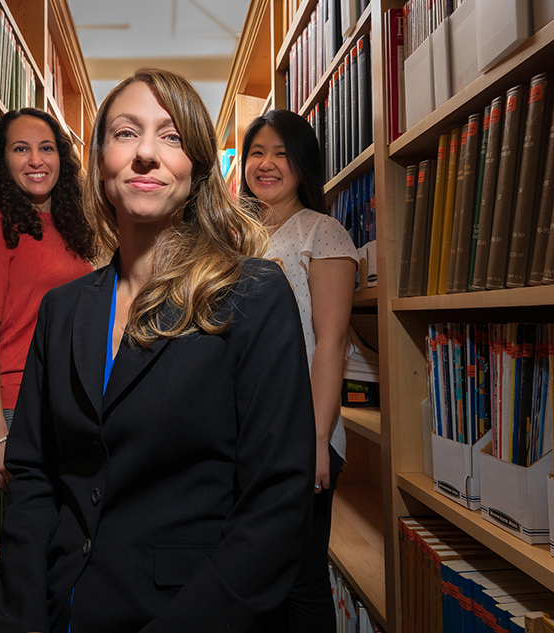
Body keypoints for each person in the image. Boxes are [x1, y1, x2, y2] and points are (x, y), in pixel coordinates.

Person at [0, 69, 316, 633]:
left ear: (197, 168)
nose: (147, 153)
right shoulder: (63, 310)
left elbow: (275, 503)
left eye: (171, 136)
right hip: (59, 607)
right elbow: (34, 476)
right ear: (100, 161)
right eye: (126, 133)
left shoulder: (253, 294)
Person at [239, 109, 358, 632]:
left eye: (281, 153)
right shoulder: (234, 238)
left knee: (301, 581)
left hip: (301, 434)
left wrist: (316, 440)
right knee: (251, 580)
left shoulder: (323, 232)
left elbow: (330, 343)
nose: (266, 164)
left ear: (303, 163)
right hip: (244, 433)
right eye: (257, 152)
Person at [0, 108, 95, 492]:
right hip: (19, 404)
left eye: (47, 148)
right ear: (2, 161)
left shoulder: (71, 228)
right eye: (21, 149)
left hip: (69, 400)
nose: (36, 160)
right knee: (34, 533)